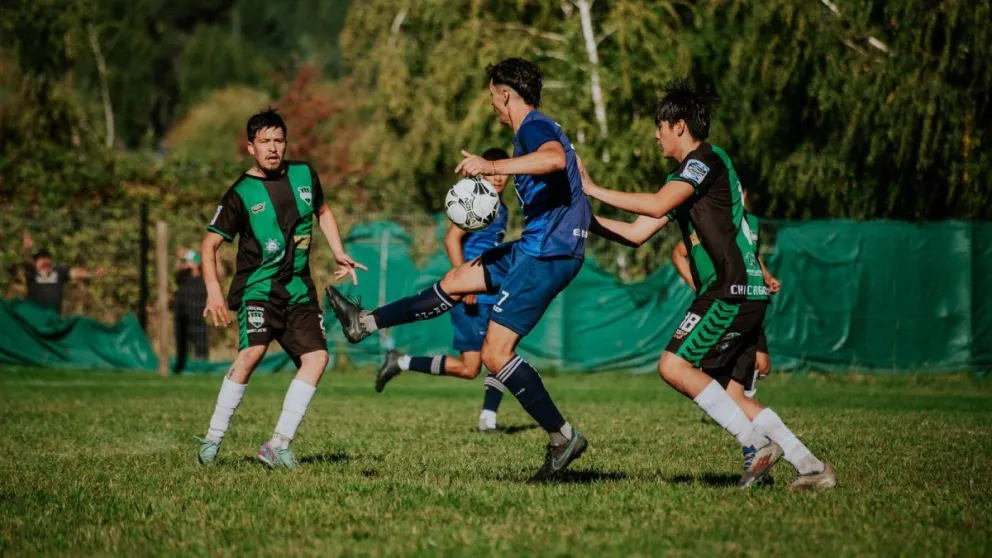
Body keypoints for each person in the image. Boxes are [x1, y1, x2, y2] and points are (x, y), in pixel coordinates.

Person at [326, 58, 591, 482]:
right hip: (537, 246)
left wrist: (492, 166)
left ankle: (563, 438)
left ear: (506, 93)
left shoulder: (534, 128)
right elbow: (576, 181)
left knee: (493, 355)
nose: (493, 107)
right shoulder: (544, 127)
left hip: (547, 253)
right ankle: (364, 322)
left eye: (492, 98)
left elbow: (556, 160)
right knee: (455, 280)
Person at [582, 79, 836, 490]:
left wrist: (591, 188)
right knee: (732, 396)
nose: (656, 135)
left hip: (727, 290)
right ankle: (811, 467)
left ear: (678, 125)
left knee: (673, 365)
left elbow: (657, 203)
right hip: (745, 293)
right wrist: (584, 220)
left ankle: (755, 445)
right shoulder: (686, 177)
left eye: (660, 126)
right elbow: (636, 232)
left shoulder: (705, 160)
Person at [195, 108, 366, 469]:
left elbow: (323, 211)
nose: (273, 148)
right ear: (250, 148)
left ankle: (278, 444)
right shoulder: (240, 193)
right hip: (258, 290)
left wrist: (338, 251)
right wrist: (213, 291)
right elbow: (208, 245)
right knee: (251, 355)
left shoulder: (304, 174)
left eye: (278, 140)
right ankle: (212, 439)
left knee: (317, 358)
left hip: (299, 291)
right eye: (264, 142)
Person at [375, 147, 512, 433]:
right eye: (491, 171)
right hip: (472, 294)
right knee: (470, 367)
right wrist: (464, 281)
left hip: (492, 292)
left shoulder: (503, 208)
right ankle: (402, 361)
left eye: (502, 172)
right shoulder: (475, 201)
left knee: (496, 355)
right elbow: (452, 239)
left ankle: (488, 419)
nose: (497, 178)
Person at [670, 187, 781, 395]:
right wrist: (699, 286)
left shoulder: (752, 222)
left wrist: (766, 277)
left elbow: (752, 256)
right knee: (701, 363)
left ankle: (738, 401)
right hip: (726, 300)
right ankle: (731, 402)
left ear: (745, 193)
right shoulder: (716, 220)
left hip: (751, 299)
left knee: (762, 364)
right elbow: (679, 252)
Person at [21, 232, 104, 315]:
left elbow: (76, 273)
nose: (44, 261)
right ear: (35, 263)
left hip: (53, 316)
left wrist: (93, 274)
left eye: (46, 258)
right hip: (34, 316)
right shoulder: (32, 274)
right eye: (40, 259)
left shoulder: (59, 272)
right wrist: (27, 249)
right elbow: (27, 260)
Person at [173, 248, 208, 374]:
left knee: (200, 347)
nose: (188, 263)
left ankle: (202, 369)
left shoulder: (204, 277)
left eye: (190, 261)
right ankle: (180, 368)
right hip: (182, 318)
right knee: (181, 346)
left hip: (198, 318)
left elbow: (219, 273)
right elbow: (177, 270)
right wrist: (180, 258)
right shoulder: (183, 277)